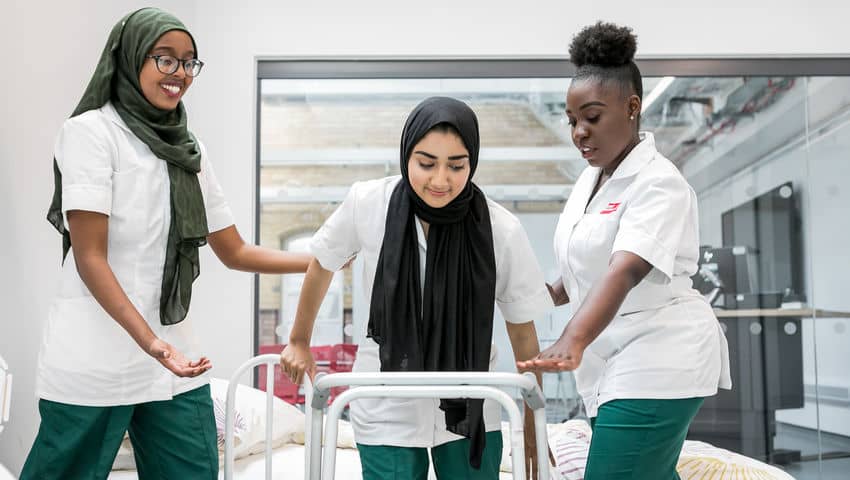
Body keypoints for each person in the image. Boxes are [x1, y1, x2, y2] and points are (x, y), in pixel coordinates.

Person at [21, 8, 311, 479]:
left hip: (172, 361)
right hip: (96, 357)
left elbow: (234, 251)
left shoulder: (188, 149)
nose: (180, 73)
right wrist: (151, 342)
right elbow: (89, 256)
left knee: (193, 471)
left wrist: (318, 262)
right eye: (165, 59)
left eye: (189, 62)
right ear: (131, 57)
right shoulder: (89, 133)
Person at [281, 96, 553, 479]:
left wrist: (532, 424)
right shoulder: (368, 203)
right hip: (386, 396)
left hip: (471, 397)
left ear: (471, 162)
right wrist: (298, 340)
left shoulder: (500, 228)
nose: (440, 180)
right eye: (426, 163)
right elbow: (322, 264)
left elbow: (523, 331)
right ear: (406, 154)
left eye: (456, 166)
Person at [518, 22, 732, 480]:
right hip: (613, 359)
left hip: (661, 352)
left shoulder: (659, 182)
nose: (579, 132)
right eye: (572, 120)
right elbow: (579, 272)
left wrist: (572, 338)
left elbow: (624, 269)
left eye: (591, 117)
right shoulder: (591, 180)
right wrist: (532, 295)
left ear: (632, 107)